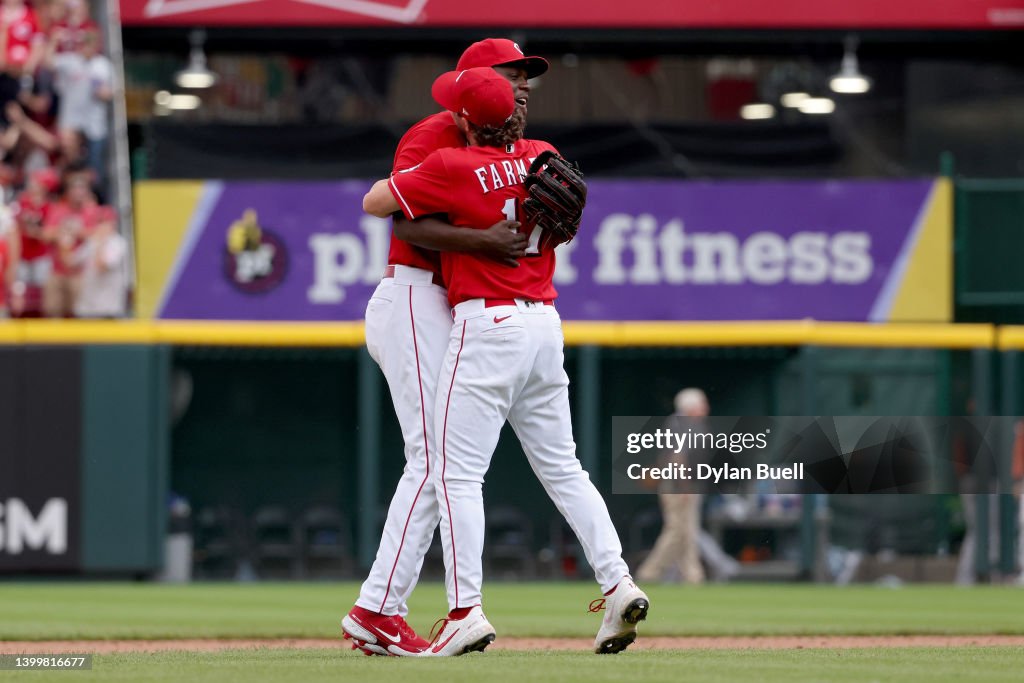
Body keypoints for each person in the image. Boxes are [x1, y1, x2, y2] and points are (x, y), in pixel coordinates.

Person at [363, 66, 649, 656]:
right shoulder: (544, 153)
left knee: (457, 474)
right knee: (566, 469)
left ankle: (466, 609)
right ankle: (617, 582)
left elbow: (376, 202)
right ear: (516, 114)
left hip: (486, 323)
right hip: (545, 322)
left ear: (465, 118)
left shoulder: (451, 164)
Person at [340, 39, 544, 658]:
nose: (522, 84)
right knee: (433, 458)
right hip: (412, 295)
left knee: (437, 460)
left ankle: (380, 607)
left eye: (524, 75)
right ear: (476, 83)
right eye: (511, 74)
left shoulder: (503, 144)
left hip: (441, 304)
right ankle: (377, 609)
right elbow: (395, 215)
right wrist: (484, 241)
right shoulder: (433, 133)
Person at [637, 388, 710, 584]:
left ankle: (693, 575)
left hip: (682, 484)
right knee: (677, 531)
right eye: (701, 404)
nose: (706, 408)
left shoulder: (686, 423)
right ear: (690, 407)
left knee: (687, 532)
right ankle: (649, 572)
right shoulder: (682, 424)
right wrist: (684, 487)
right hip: (678, 485)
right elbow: (678, 459)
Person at [73, 205, 125, 318]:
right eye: (99, 222)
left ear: (113, 224)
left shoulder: (118, 243)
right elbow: (71, 263)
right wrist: (65, 241)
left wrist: (100, 243)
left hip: (108, 306)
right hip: (88, 304)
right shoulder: (91, 241)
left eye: (105, 222)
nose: (101, 226)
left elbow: (101, 266)